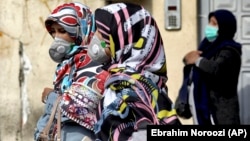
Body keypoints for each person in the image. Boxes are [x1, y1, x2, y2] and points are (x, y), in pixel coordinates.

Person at [87, 2, 181, 141]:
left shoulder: (127, 87)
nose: (95, 37)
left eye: (101, 32)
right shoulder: (145, 83)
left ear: (124, 38)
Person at [34, 2, 109, 141]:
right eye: (53, 32)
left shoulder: (94, 62)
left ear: (81, 29)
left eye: (62, 31)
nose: (56, 37)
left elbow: (78, 107)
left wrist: (51, 96)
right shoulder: (69, 63)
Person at [182, 9, 242, 125]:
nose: (209, 27)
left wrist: (197, 60)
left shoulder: (229, 51)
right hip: (204, 109)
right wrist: (187, 59)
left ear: (224, 28)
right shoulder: (207, 47)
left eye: (214, 24)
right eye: (209, 22)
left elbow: (217, 69)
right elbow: (191, 62)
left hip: (221, 112)